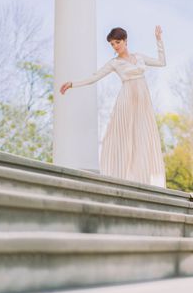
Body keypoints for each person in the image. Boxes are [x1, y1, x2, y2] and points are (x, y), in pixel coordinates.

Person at [60, 25, 166, 188]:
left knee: (143, 136)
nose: (115, 46)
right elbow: (94, 77)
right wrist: (73, 84)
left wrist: (159, 40)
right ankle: (120, 176)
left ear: (125, 41)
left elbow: (161, 62)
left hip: (143, 102)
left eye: (117, 42)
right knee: (124, 136)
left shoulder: (139, 57)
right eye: (112, 44)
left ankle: (144, 178)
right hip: (126, 100)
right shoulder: (114, 63)